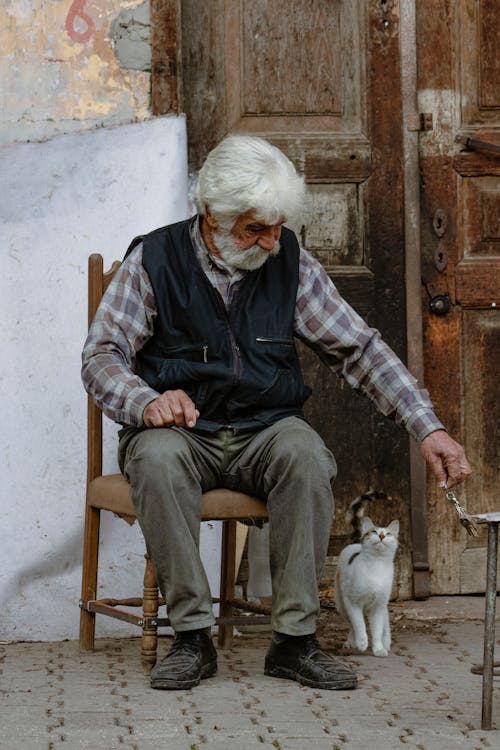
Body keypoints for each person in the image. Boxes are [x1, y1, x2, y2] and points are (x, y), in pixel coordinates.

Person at [82, 134, 471, 691]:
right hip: (180, 431)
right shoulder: (154, 260)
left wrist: (426, 425)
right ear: (211, 215)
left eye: (277, 226)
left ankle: (293, 642)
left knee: (306, 454)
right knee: (158, 460)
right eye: (254, 229)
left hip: (264, 429)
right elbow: (101, 356)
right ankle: (191, 638)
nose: (271, 242)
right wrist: (146, 401)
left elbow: (357, 349)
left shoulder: (290, 261)